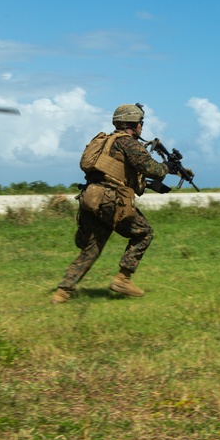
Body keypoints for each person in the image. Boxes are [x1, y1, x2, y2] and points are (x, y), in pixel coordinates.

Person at [51, 103, 176, 304]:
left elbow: (120, 173)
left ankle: (62, 292)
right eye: (140, 123)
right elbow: (154, 169)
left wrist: (149, 185)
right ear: (132, 124)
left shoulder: (105, 141)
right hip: (111, 200)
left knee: (92, 248)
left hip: (90, 198)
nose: (141, 127)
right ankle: (122, 279)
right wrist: (167, 167)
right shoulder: (128, 143)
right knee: (145, 233)